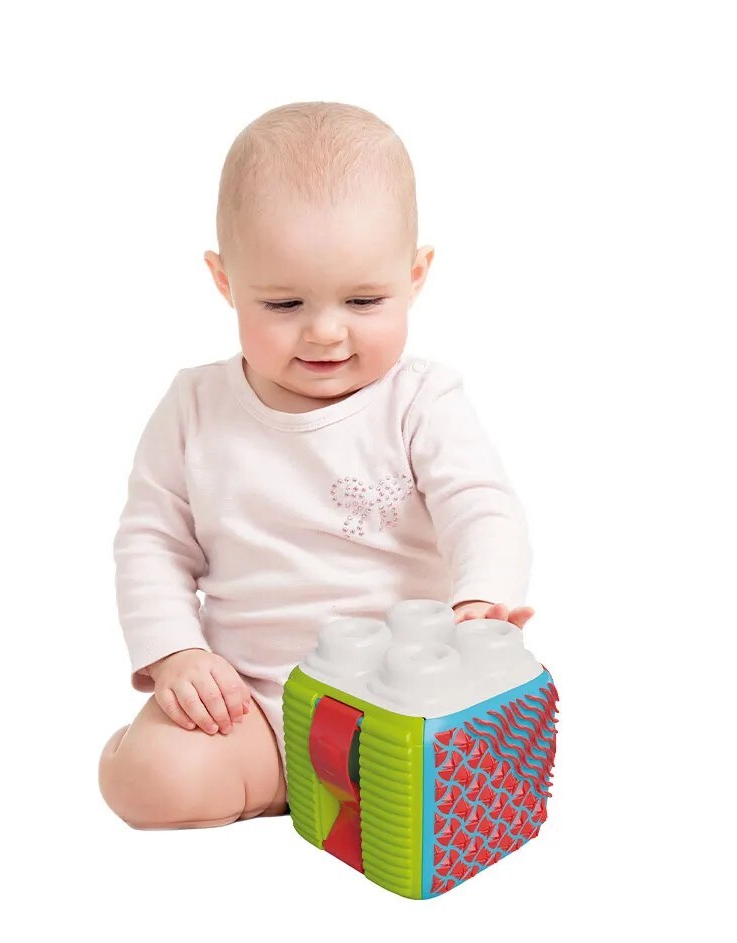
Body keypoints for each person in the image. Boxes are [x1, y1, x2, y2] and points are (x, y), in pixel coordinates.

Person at [97, 101, 534, 830]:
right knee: (152, 784)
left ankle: (343, 790)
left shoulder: (420, 400)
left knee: (477, 777)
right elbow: (151, 543)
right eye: (284, 303)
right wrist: (176, 655)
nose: (326, 331)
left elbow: (481, 506)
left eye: (364, 300)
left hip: (402, 702)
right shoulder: (195, 407)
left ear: (416, 275)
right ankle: (281, 780)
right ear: (225, 281)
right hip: (249, 702)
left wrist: (481, 601)